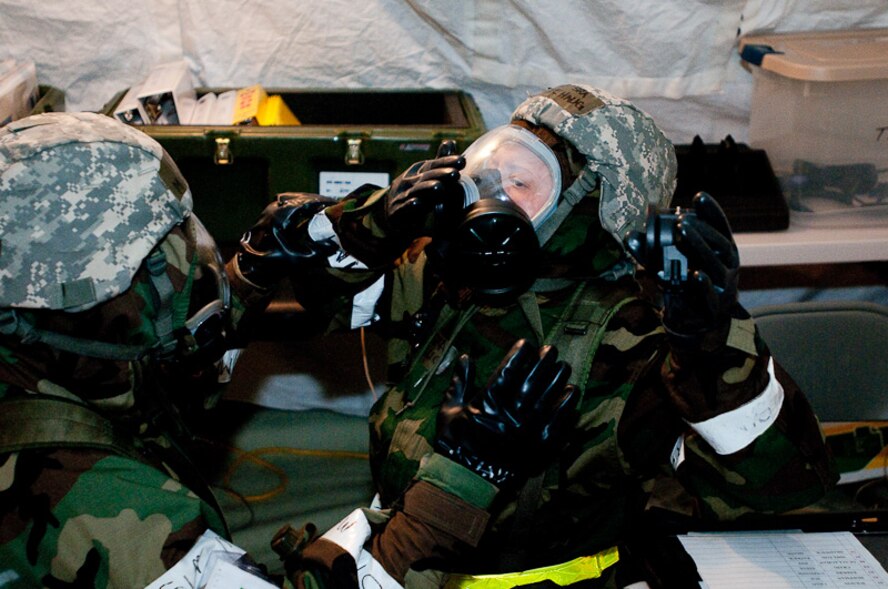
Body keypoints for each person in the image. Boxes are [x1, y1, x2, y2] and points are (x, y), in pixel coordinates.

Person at [231, 83, 837, 588]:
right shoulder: (454, 274)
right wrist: (370, 224)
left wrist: (714, 348)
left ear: (589, 209)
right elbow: (314, 292)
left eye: (520, 182)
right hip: (402, 560)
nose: (489, 191)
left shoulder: (629, 336)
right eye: (491, 166)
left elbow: (774, 489)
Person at [0, 112, 280, 587]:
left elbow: (146, 375)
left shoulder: (40, 358)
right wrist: (435, 509)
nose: (185, 271)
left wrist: (253, 276)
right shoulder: (96, 501)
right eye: (152, 276)